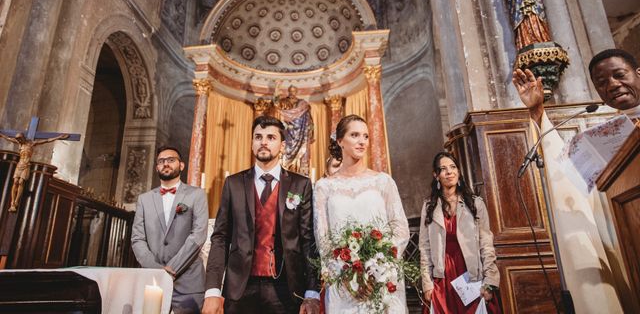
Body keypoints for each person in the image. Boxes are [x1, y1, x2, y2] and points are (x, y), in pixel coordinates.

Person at [511, 48, 640, 313]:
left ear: (638, 74)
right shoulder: (602, 139)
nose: (613, 85)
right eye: (602, 83)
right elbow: (567, 175)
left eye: (619, 75)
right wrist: (538, 112)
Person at [203, 115, 320, 314]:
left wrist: (312, 292)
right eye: (258, 137)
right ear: (252, 143)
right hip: (240, 288)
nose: (263, 142)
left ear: (282, 145)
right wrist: (212, 290)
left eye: (271, 137)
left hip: (286, 288)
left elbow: (308, 240)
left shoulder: (300, 184)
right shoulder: (234, 184)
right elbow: (221, 237)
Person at [313, 115, 410, 313]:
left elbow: (400, 229)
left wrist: (378, 270)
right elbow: (323, 238)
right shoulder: (324, 187)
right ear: (339, 140)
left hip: (383, 282)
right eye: (354, 135)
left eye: (365, 136)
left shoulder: (383, 182)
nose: (362, 141)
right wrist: (348, 277)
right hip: (343, 284)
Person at [418, 152, 500, 313]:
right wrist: (427, 283)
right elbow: (424, 248)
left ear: (459, 172)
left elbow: (486, 245)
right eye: (443, 169)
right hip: (442, 276)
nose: (449, 172)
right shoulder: (429, 207)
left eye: (453, 167)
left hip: (471, 274)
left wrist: (490, 281)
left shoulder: (475, 203)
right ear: (436, 175)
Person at [131, 146, 209, 314]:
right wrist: (157, 269)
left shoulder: (197, 195)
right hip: (152, 281)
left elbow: (199, 235)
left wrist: (172, 269)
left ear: (181, 165)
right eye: (161, 161)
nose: (166, 164)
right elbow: (137, 239)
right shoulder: (144, 199)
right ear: (157, 167)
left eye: (171, 160)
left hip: (188, 282)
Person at [0, 131, 69, 212]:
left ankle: (16, 202)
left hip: (26, 165)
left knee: (21, 182)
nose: (18, 141)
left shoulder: (31, 144)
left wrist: (58, 137)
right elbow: (7, 138)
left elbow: (47, 140)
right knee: (15, 181)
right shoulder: (19, 143)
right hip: (19, 165)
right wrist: (1, 134)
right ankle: (12, 202)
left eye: (19, 139)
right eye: (17, 140)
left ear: (23, 138)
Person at [277, 85, 315, 176]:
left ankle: (301, 174)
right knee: (284, 153)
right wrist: (276, 89)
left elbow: (309, 120)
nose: (292, 93)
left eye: (294, 91)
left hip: (301, 134)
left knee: (302, 156)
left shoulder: (302, 104)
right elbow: (276, 105)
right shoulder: (284, 102)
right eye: (290, 91)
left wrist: (311, 131)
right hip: (287, 133)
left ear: (296, 92)